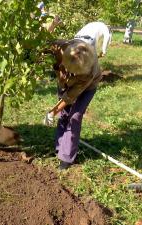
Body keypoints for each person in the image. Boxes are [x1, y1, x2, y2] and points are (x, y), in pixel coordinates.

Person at [44, 39, 102, 170]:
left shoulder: (89, 72)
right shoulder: (62, 47)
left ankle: (66, 156)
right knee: (64, 114)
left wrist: (52, 111)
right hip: (64, 83)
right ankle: (59, 147)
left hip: (87, 87)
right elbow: (43, 44)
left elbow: (70, 96)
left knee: (75, 116)